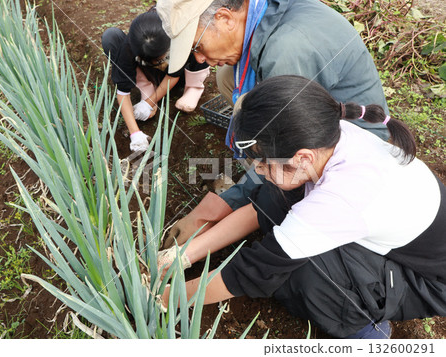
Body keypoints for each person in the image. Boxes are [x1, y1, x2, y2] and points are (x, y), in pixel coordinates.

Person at [158, 75, 446, 339]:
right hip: (390, 238)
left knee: (306, 274)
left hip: (427, 281)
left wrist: (167, 297)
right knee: (274, 194)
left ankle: (365, 330)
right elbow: (260, 208)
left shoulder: (343, 195)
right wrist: (182, 256)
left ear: (303, 157)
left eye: (262, 162)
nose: (257, 170)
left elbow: (252, 272)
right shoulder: (326, 135)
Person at [156, 0, 391, 248]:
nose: (200, 59)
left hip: (357, 144)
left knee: (276, 182)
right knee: (227, 76)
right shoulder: (260, 10)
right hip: (321, 111)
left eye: (197, 46)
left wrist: (215, 208)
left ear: (225, 18)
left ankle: (271, 180)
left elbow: (286, 146)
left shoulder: (287, 53)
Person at [101, 7, 210, 152]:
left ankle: (193, 87)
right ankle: (145, 84)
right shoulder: (131, 46)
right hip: (151, 72)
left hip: (180, 72)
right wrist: (135, 133)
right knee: (111, 37)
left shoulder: (177, 28)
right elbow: (123, 92)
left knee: (199, 35)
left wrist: (149, 102)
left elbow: (173, 76)